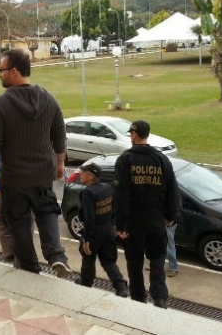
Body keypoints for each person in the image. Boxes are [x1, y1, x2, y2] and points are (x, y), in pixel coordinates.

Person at [0, 48, 72, 278]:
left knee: (19, 223)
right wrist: (60, 163)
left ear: (13, 71)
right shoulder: (49, 98)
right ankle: (57, 257)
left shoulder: (1, 104)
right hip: (43, 173)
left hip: (14, 178)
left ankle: (30, 268)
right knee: (47, 210)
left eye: (1, 70)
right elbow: (59, 134)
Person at [114, 120, 180, 309]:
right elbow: (173, 191)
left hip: (134, 223)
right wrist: (170, 216)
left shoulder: (125, 160)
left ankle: (138, 301)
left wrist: (121, 226)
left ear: (135, 134)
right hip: (156, 221)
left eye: (131, 134)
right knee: (158, 261)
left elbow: (121, 195)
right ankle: (159, 299)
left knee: (134, 264)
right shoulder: (161, 159)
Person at [75, 163, 128, 298]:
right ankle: (121, 286)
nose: (80, 175)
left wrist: (86, 240)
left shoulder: (87, 193)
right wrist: (115, 226)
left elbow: (89, 218)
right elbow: (115, 208)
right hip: (108, 230)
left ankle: (86, 284)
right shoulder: (107, 188)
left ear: (91, 176)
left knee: (88, 261)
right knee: (109, 261)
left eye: (83, 173)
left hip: (94, 233)